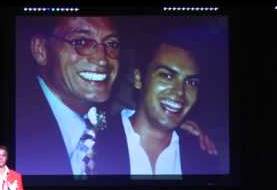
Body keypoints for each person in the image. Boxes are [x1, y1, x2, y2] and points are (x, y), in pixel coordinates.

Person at [16, 16, 215, 178]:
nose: (102, 58)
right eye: (82, 42)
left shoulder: (201, 153)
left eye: (191, 83)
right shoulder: (100, 138)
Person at [96, 28, 221, 176]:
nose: (180, 91)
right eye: (167, 76)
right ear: (138, 78)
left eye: (191, 82)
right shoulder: (95, 140)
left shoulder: (202, 156)